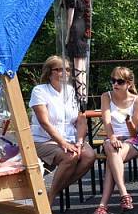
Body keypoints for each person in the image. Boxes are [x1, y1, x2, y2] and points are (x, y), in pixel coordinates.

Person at [29, 56, 95, 205]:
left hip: (70, 137)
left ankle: (52, 191)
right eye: (59, 69)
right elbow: (44, 122)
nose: (64, 73)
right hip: (44, 140)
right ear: (49, 72)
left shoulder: (72, 91)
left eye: (67, 69)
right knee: (70, 157)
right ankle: (50, 198)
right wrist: (63, 143)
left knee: (89, 156)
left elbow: (81, 120)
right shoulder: (39, 91)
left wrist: (79, 141)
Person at [91, 66, 138, 214]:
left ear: (128, 83)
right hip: (113, 138)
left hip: (132, 139)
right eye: (113, 80)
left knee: (111, 161)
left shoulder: (137, 101)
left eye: (120, 81)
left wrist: (128, 120)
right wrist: (113, 137)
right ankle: (124, 194)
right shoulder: (106, 96)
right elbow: (106, 120)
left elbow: (134, 133)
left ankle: (103, 205)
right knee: (110, 147)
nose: (115, 84)